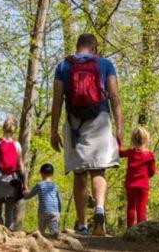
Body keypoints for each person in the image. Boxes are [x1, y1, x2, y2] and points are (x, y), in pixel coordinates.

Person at [50, 33, 123, 236]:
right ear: (94, 48)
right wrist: (119, 127)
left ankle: (82, 225)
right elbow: (114, 96)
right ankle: (99, 210)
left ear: (77, 46)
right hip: (100, 119)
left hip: (75, 123)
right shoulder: (105, 64)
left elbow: (57, 100)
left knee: (80, 173)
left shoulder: (64, 66)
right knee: (99, 170)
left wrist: (53, 131)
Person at [119, 127, 156, 228]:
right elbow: (152, 171)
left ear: (133, 140)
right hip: (143, 186)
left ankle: (130, 229)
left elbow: (119, 153)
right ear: (146, 140)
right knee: (141, 208)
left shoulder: (130, 152)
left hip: (130, 185)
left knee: (131, 207)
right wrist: (146, 175)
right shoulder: (149, 155)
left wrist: (118, 141)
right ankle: (141, 229)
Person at [23, 163, 62, 237]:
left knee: (41, 230)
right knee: (53, 229)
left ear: (41, 173)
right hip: (55, 211)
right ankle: (54, 234)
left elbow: (28, 196)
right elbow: (59, 200)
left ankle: (41, 237)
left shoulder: (39, 185)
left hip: (43, 211)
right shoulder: (55, 186)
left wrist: (24, 193)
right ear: (52, 174)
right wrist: (59, 211)